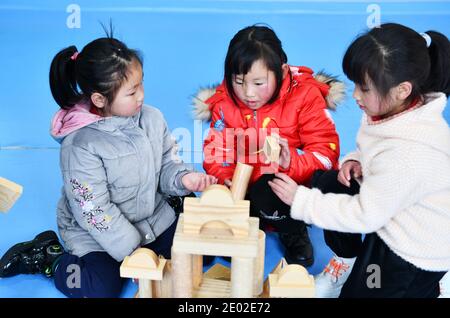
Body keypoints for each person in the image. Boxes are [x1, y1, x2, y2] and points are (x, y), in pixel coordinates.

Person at [0, 34, 216, 297]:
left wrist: (183, 179)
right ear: (100, 99)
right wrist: (132, 252)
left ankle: (175, 208)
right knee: (100, 288)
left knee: (199, 256)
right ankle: (48, 258)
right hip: (97, 232)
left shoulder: (151, 117)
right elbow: (95, 211)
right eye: (132, 92)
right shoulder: (80, 146)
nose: (141, 96)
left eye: (141, 84)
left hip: (150, 213)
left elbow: (167, 162)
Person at [269, 23, 450, 297]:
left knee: (361, 292)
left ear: (402, 89)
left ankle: (429, 287)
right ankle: (347, 259)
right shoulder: (396, 105)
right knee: (328, 183)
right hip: (391, 209)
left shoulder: (409, 152)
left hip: (412, 253)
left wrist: (301, 201)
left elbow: (364, 215)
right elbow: (375, 146)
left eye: (364, 88)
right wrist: (356, 159)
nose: (355, 95)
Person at [193, 25, 344, 266]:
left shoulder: (305, 97)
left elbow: (326, 153)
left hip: (283, 188)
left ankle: (292, 230)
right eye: (239, 81)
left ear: (282, 72)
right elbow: (217, 149)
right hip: (244, 189)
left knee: (270, 189)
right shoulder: (224, 102)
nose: (248, 93)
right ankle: (240, 223)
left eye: (258, 83)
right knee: (218, 199)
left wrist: (291, 161)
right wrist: (224, 178)